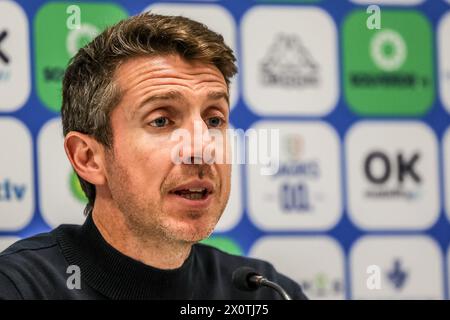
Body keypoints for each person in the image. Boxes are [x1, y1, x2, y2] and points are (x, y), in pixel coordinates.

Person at [0, 12, 307, 300]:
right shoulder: (21, 287)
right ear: (89, 158)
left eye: (214, 120)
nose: (202, 148)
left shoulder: (262, 291)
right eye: (161, 120)